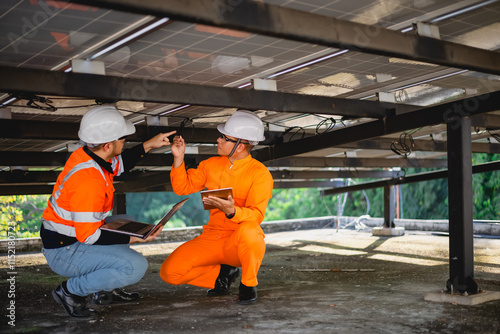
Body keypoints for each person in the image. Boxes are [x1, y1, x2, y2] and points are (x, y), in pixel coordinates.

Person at [40, 105, 176, 318]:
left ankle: (105, 291)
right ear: (106, 145)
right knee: (135, 266)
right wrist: (134, 238)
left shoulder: (89, 155)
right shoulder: (88, 181)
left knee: (125, 220)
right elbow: (90, 235)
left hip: (70, 237)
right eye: (122, 138)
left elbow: (119, 164)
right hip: (64, 251)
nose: (125, 140)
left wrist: (148, 145)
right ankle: (70, 292)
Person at [160, 110, 273, 304]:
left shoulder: (260, 174)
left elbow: (256, 216)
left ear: (240, 146)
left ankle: (248, 284)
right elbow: (182, 188)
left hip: (238, 242)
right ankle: (222, 275)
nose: (218, 140)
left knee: (251, 230)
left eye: (224, 138)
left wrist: (232, 211)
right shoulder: (210, 165)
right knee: (170, 273)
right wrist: (179, 158)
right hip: (213, 237)